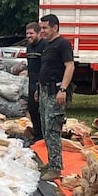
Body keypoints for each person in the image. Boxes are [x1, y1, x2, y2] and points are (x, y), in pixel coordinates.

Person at [36, 13, 75, 182]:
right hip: (44, 91)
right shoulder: (47, 45)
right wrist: (39, 88)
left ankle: (55, 168)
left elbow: (70, 66)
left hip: (55, 92)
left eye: (45, 28)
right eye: (41, 28)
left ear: (55, 27)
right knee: (46, 128)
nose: (42, 31)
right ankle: (51, 161)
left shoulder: (62, 44)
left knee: (53, 129)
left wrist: (63, 89)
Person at [25, 22, 47, 144]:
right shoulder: (29, 47)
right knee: (32, 108)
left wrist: (40, 85)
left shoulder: (44, 45)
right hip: (31, 81)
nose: (29, 36)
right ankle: (38, 133)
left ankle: (44, 135)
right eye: (27, 33)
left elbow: (45, 67)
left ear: (38, 33)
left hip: (41, 82)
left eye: (31, 33)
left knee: (42, 110)